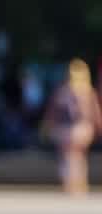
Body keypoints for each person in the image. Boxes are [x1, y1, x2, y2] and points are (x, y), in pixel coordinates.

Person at [43, 59, 102, 196]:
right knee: (78, 157)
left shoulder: (62, 91)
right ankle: (79, 183)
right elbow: (96, 113)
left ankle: (70, 183)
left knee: (68, 156)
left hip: (65, 130)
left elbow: (52, 113)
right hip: (84, 130)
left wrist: (48, 127)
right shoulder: (88, 91)